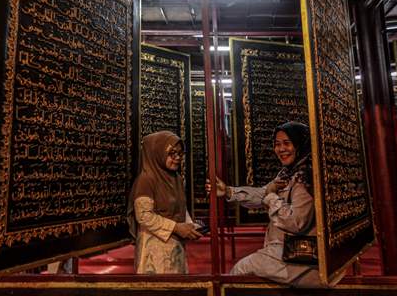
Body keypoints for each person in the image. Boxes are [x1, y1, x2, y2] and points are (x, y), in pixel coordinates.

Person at [207, 121, 325, 287]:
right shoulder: (289, 172)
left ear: (300, 145)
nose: (281, 149)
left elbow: (296, 222)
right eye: (277, 144)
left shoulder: (304, 178)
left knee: (238, 273)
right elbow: (263, 193)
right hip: (284, 251)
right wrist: (228, 191)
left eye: (287, 143)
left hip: (300, 259)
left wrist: (271, 197)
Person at [127, 131, 202, 274]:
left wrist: (190, 226)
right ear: (158, 153)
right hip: (154, 251)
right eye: (172, 153)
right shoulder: (147, 179)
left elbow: (180, 207)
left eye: (180, 153)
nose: (177, 158)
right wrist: (176, 228)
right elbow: (144, 216)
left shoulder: (176, 178)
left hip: (175, 246)